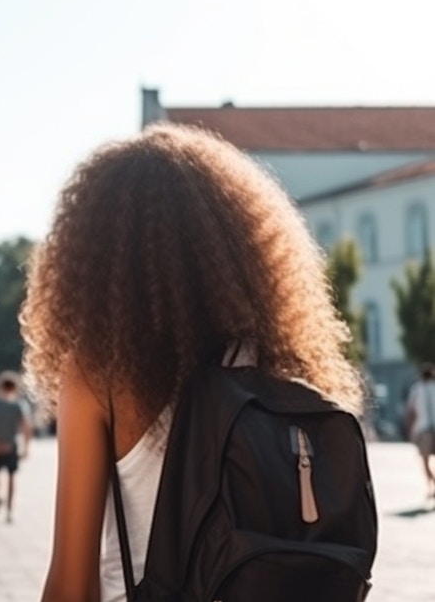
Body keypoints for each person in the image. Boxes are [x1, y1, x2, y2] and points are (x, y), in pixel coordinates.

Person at [22, 124, 366, 602]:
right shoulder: (275, 362)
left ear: (97, 252)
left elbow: (71, 584)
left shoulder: (101, 371)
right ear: (240, 245)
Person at [0, 372, 32, 523]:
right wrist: (26, 447)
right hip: (11, 445)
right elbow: (26, 427)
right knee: (11, 478)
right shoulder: (18, 405)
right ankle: (9, 511)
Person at [405, 363, 435, 500]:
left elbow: (411, 412)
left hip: (424, 430)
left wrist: (410, 430)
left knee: (425, 461)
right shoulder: (420, 389)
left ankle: (432, 484)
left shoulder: (416, 389)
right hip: (426, 428)